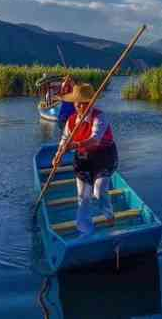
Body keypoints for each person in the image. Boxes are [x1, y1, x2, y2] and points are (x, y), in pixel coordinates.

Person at [55, 84, 118, 235]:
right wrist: (57, 155)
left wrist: (75, 144)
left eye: (84, 103)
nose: (80, 106)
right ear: (74, 103)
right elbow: (64, 140)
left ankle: (108, 213)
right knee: (83, 197)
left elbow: (95, 139)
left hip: (103, 157)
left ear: (91, 102)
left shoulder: (100, 117)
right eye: (77, 103)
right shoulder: (71, 121)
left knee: (100, 189)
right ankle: (85, 230)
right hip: (83, 159)